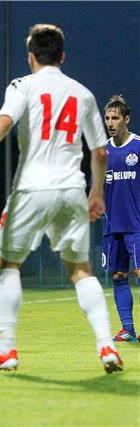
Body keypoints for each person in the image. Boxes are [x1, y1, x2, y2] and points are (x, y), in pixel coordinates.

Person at [0, 24, 123, 373]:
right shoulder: (83, 93)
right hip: (71, 189)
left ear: (30, 57)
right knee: (80, 270)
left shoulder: (22, 86)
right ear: (62, 56)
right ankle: (106, 345)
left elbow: (4, 121)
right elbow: (100, 153)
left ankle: (8, 350)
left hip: (30, 189)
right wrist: (96, 193)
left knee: (7, 265)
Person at [101, 95, 140, 342]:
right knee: (118, 276)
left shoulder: (138, 146)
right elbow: (97, 188)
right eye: (107, 118)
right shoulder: (102, 152)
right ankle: (128, 329)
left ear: (127, 119)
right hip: (112, 226)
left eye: (115, 118)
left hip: (137, 226)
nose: (110, 122)